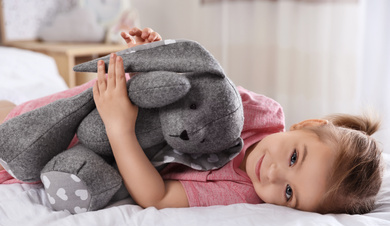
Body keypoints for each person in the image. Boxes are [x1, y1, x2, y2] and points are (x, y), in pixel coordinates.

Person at [0, 28, 384, 215]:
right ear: (304, 126)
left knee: (20, 157)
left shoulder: (240, 192)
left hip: (109, 146)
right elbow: (200, 91)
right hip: (100, 107)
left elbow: (156, 196)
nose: (272, 176)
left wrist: (119, 129)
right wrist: (161, 52)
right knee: (29, 114)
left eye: (289, 194)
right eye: (295, 158)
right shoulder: (260, 112)